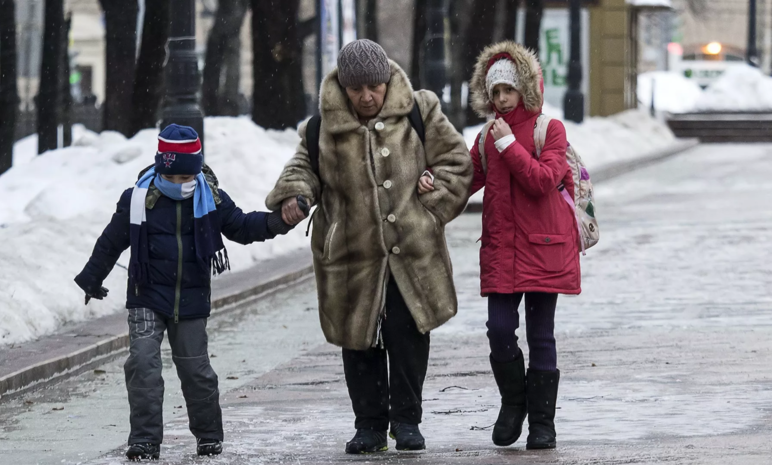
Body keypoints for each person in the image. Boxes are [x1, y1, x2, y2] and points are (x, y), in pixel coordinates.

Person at [266, 39, 472, 454]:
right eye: (356, 89)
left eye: (373, 87)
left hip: (411, 248)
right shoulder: (321, 127)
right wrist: (295, 194)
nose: (366, 96)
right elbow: (302, 167)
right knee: (358, 338)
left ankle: (407, 421)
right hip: (351, 253)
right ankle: (370, 425)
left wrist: (431, 209)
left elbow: (456, 162)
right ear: (343, 87)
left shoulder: (420, 110)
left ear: (386, 80)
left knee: (407, 330)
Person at [74, 124, 300, 460]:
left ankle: (208, 434)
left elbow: (241, 226)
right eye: (175, 177)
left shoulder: (210, 197)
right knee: (143, 365)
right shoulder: (138, 199)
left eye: (188, 177)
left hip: (191, 300)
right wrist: (91, 278)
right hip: (146, 296)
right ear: (162, 169)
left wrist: (278, 221)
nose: (182, 184)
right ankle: (144, 439)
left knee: (196, 372)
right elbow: (111, 242)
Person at [420, 41, 581, 450]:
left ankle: (543, 424)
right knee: (499, 330)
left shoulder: (551, 130)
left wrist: (509, 146)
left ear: (525, 89)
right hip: (501, 250)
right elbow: (465, 182)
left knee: (541, 335)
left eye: (508, 89)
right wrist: (431, 187)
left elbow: (543, 180)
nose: (502, 98)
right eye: (495, 92)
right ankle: (514, 404)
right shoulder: (486, 136)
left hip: (544, 246)